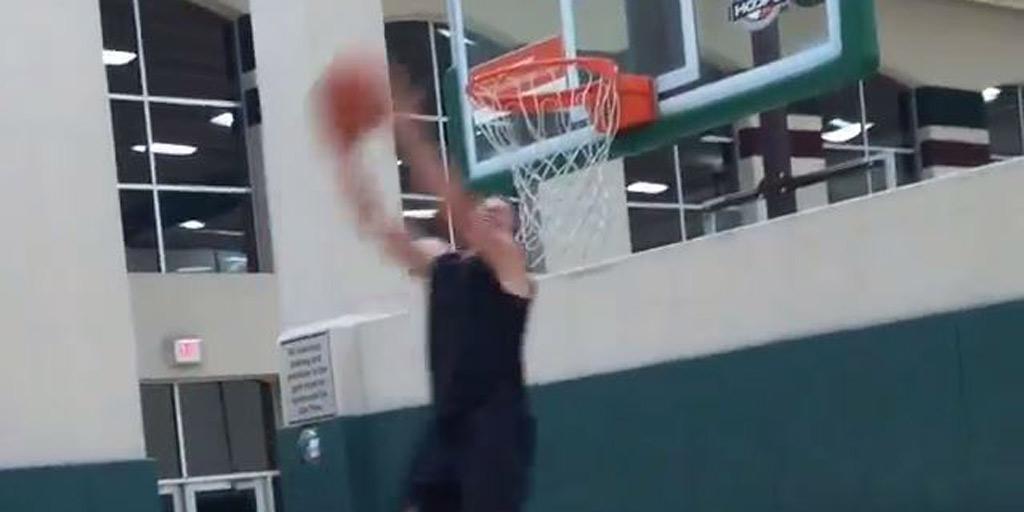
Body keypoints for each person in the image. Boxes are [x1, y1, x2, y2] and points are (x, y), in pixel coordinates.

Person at [319, 58, 536, 512]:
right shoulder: (444, 263)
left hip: (495, 428)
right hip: (447, 425)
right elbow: (380, 228)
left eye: (501, 211)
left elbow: (454, 205)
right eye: (487, 206)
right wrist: (347, 157)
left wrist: (408, 129)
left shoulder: (512, 271)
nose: (491, 211)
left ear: (511, 230)